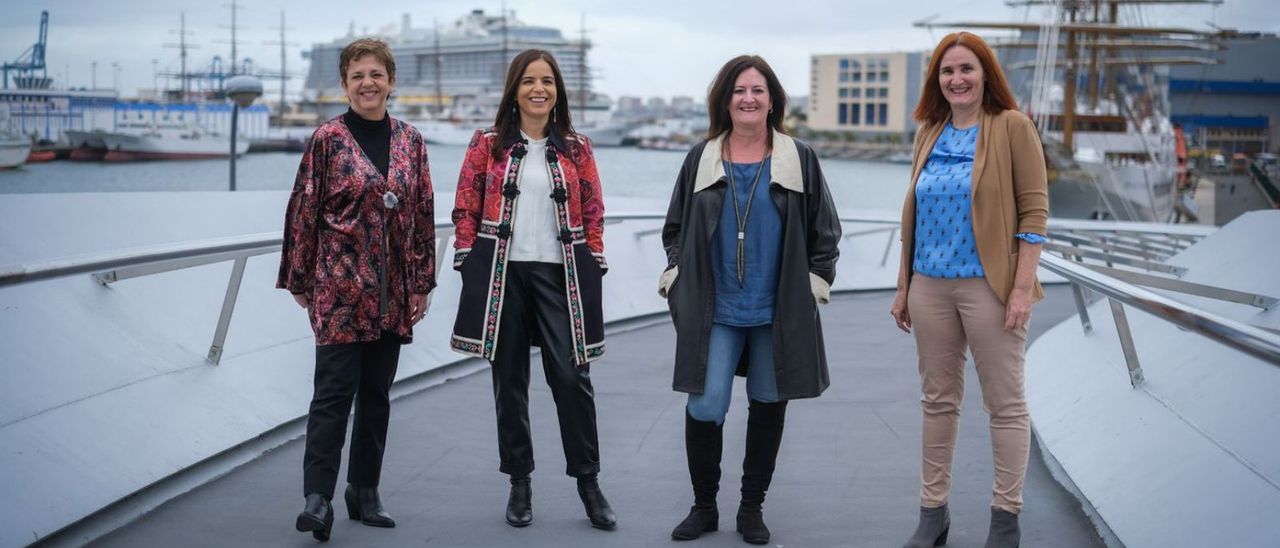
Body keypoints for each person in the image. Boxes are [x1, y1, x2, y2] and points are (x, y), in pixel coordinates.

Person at [660, 55, 841, 545]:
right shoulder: (701, 157)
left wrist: (814, 285)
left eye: (758, 90)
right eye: (739, 90)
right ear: (725, 99)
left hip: (777, 308)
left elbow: (825, 233)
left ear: (772, 100)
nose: (748, 98)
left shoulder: (797, 157)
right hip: (715, 308)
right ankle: (703, 507)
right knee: (706, 403)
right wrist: (677, 277)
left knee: (767, 401)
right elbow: (674, 228)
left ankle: (750, 508)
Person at [891, 32, 1049, 548]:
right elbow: (913, 215)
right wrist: (903, 288)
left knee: (1005, 404)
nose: (956, 79)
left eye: (967, 69)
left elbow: (1034, 216)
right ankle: (931, 514)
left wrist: (1022, 289)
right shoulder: (929, 132)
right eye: (946, 71)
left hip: (991, 287)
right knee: (937, 402)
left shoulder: (1012, 127)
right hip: (929, 287)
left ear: (986, 75)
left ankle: (1006, 519)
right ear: (937, 80)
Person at [449, 48, 615, 531]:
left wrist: (594, 260)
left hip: (560, 276)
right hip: (505, 275)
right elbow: (466, 205)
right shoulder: (486, 143)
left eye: (546, 81)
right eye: (528, 81)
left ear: (557, 89)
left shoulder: (578, 147)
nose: (538, 89)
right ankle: (519, 483)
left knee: (571, 380)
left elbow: (593, 210)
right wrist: (469, 262)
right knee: (510, 385)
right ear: (514, 90)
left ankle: (589, 482)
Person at [277, 38, 436, 542]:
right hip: (338, 290)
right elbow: (303, 210)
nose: (367, 83)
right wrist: (299, 278)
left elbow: (423, 215)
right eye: (356, 76)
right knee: (332, 395)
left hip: (392, 291)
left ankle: (364, 491)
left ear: (391, 81)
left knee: (377, 396)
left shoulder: (411, 141)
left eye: (376, 74)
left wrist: (422, 281)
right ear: (344, 84)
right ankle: (317, 498)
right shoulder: (327, 140)